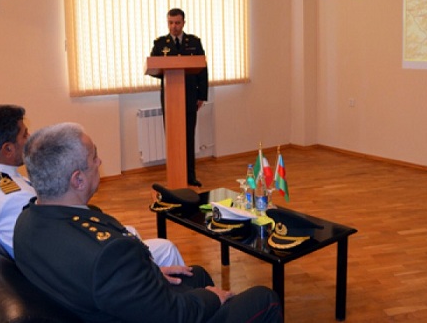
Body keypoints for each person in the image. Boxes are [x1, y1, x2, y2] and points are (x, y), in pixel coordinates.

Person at [14, 123, 282, 323]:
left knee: (195, 274)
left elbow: (107, 283)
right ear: (78, 180)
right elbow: (173, 315)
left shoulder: (27, 221)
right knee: (263, 297)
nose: (100, 162)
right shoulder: (109, 255)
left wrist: (145, 277)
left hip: (104, 305)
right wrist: (212, 297)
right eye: (94, 157)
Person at [0, 105, 184, 266]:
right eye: (24, 134)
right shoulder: (13, 199)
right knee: (165, 249)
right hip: (71, 274)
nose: (29, 138)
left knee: (132, 233)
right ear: (7, 149)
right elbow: (54, 252)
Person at [150, 8, 208, 187]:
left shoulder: (194, 42)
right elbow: (153, 68)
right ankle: (175, 176)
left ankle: (190, 176)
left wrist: (202, 96)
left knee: (188, 138)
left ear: (183, 23)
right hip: (170, 97)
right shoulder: (160, 44)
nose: (174, 26)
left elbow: (203, 70)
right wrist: (169, 73)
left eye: (177, 22)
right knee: (173, 139)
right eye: (170, 23)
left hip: (190, 96)